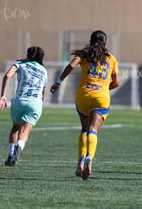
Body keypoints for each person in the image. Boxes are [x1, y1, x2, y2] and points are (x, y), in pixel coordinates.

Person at [50, 30, 120, 180]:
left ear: (90, 40)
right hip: (101, 97)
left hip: (83, 96)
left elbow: (71, 66)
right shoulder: (111, 58)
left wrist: (58, 82)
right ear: (105, 43)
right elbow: (116, 82)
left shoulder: (83, 54)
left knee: (84, 129)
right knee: (93, 130)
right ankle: (89, 158)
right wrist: (103, 88)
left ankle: (80, 162)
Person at [0, 46, 48, 167]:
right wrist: (40, 102)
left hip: (19, 101)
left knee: (15, 128)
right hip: (35, 102)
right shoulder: (43, 70)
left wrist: (3, 96)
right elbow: (43, 90)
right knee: (25, 131)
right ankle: (18, 149)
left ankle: (10, 155)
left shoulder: (20, 64)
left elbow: (7, 75)